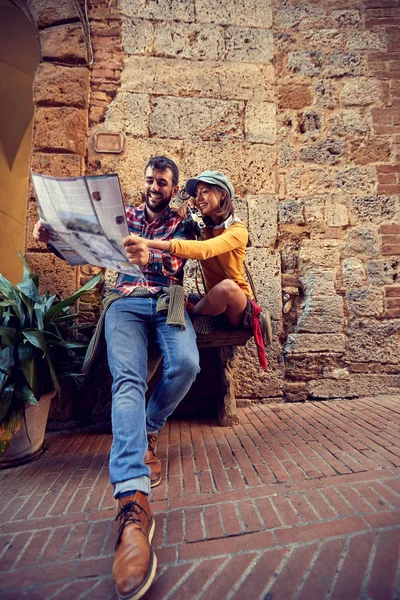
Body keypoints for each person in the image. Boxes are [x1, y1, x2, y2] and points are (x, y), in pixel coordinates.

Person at [33, 156, 200, 600]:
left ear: (172, 187)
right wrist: (53, 240)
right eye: (148, 179)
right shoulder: (122, 215)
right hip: (124, 300)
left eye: (161, 182)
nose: (153, 187)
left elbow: (182, 262)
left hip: (169, 300)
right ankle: (132, 501)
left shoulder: (183, 224)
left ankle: (147, 429)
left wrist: (153, 252)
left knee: (187, 365)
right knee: (126, 380)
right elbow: (86, 250)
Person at [124, 170, 268, 369]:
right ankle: (201, 313)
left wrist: (150, 243)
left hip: (236, 304)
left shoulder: (238, 230)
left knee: (227, 288)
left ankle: (196, 312)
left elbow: (204, 250)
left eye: (205, 192)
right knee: (178, 294)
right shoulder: (202, 223)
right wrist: (182, 210)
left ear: (223, 194)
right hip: (213, 300)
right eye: (197, 193)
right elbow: (169, 217)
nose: (199, 198)